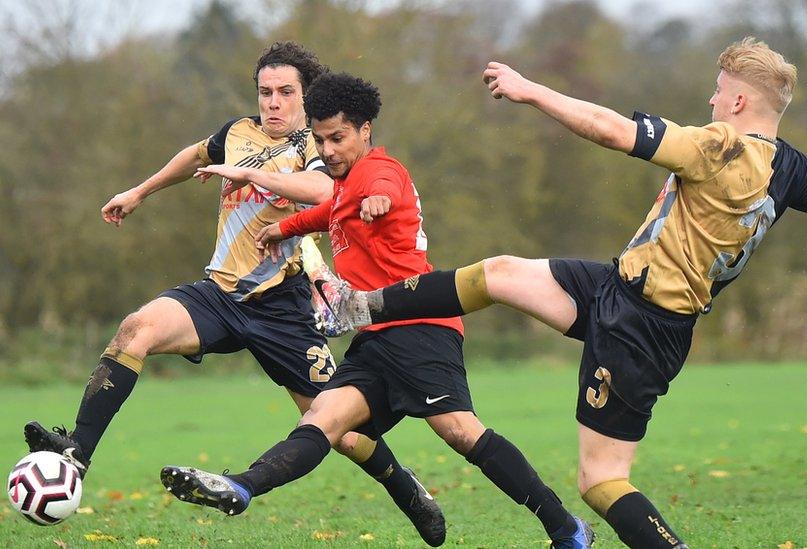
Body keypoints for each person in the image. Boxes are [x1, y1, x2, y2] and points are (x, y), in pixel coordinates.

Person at [318, 37, 807, 548]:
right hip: (618, 287)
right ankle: (363, 306)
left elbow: (608, 129)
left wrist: (531, 91)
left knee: (600, 480)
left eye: (719, 90)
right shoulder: (794, 169)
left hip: (643, 327)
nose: (712, 98)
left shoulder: (717, 146)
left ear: (740, 99)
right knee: (500, 273)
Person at [21, 41, 445, 545]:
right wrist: (139, 191)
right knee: (136, 329)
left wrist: (249, 175)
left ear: (306, 98)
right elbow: (193, 155)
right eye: (265, 91)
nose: (273, 102)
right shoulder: (237, 133)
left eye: (286, 92)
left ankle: (406, 488)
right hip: (218, 295)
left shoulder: (319, 150)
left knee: (344, 432)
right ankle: (78, 453)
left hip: (284, 308)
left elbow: (326, 196)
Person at [160, 71, 595, 549]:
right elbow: (327, 212)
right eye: (322, 140)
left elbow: (380, 188)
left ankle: (565, 527)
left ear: (365, 130)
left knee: (461, 433)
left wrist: (379, 201)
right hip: (375, 336)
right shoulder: (345, 183)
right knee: (323, 418)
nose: (328, 151)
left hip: (420, 328)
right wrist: (281, 231)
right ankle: (242, 486)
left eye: (339, 139)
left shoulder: (379, 171)